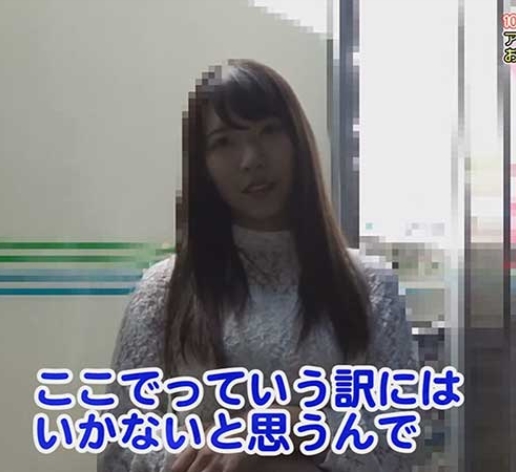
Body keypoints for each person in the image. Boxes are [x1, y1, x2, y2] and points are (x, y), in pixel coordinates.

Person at [98, 59, 417, 472]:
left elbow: (394, 444)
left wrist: (280, 430)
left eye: (268, 131)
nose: (251, 159)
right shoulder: (164, 292)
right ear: (202, 164)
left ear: (297, 141)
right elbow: (121, 444)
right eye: (224, 142)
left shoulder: (370, 288)